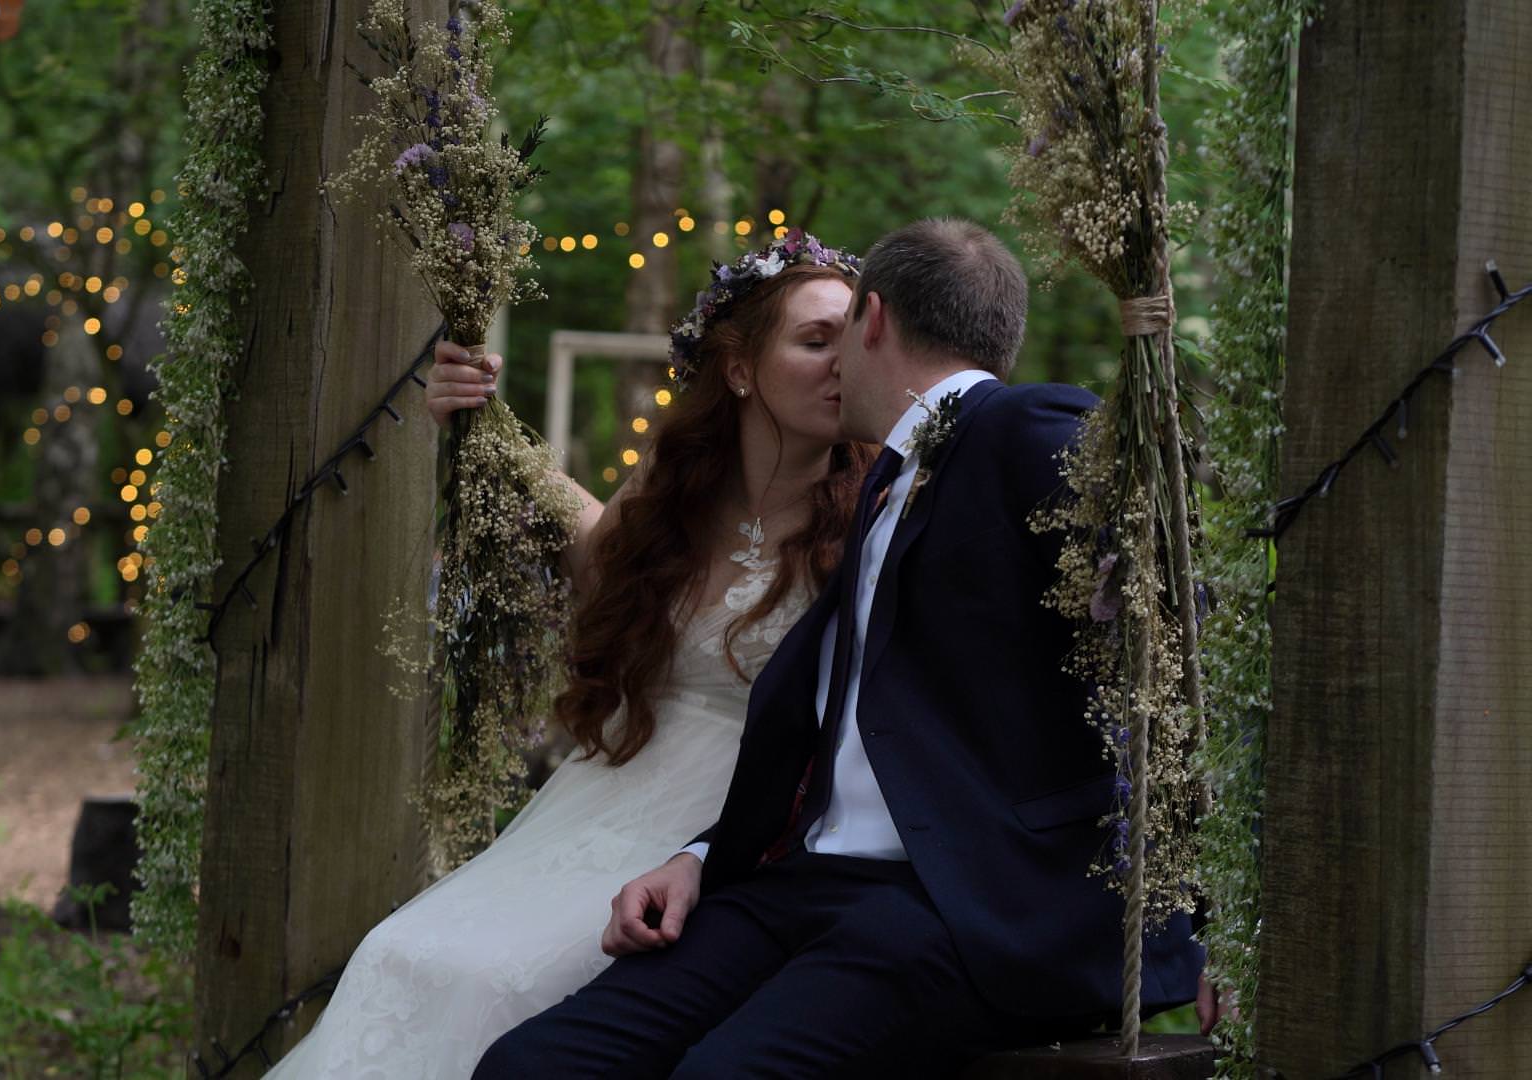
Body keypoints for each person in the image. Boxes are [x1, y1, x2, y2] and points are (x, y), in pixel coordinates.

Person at [475, 219, 1207, 1079]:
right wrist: (701, 858)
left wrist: (1229, 922)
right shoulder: (884, 486)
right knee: (534, 1065)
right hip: (804, 883)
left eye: (838, 333)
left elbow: (1186, 642)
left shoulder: (1028, 426)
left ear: (874, 321)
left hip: (962, 905)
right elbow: (847, 726)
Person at [264, 231, 873, 1079]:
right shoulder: (676, 489)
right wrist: (478, 417)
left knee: (502, 983)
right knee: (403, 951)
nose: (844, 363)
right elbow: (596, 552)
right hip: (607, 794)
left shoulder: (877, 517)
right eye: (816, 341)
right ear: (738, 367)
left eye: (856, 341)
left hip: (727, 825)